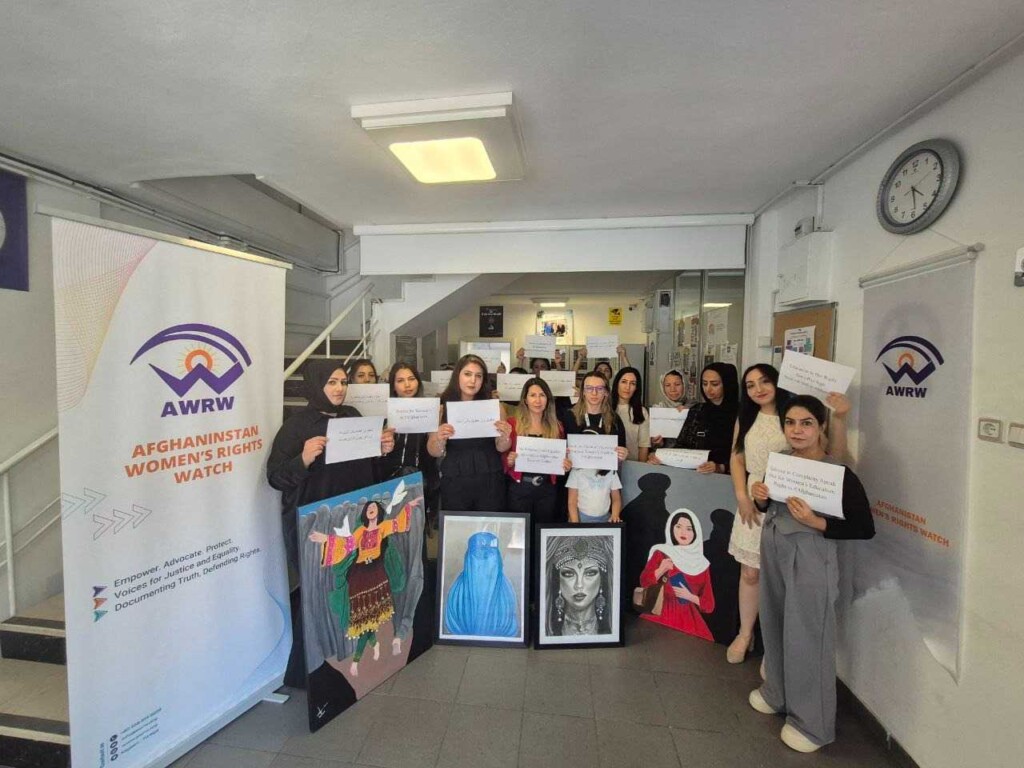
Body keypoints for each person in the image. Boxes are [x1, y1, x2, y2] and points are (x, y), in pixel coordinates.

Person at [747, 395, 874, 753]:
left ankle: (811, 723)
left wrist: (816, 522)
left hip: (811, 556)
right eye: (790, 422)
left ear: (821, 427)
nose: (797, 430)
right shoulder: (782, 460)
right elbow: (767, 504)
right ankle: (777, 692)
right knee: (773, 621)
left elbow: (864, 526)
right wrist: (759, 496)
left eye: (806, 423)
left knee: (807, 634)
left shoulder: (836, 472)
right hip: (774, 547)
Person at [266, 361, 395, 685]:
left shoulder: (353, 416)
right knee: (318, 592)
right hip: (316, 523)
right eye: (332, 382)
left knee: (348, 590)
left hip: (353, 520)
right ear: (316, 384)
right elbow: (276, 477)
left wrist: (382, 450)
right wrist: (303, 458)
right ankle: (307, 674)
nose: (339, 389)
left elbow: (369, 470)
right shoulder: (295, 427)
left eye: (343, 382)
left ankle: (348, 657)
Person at [726, 365, 849, 665]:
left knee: (782, 578)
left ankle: (774, 650)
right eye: (750, 385)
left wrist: (840, 417)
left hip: (790, 500)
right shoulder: (746, 416)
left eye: (764, 381)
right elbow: (737, 457)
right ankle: (745, 633)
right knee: (750, 572)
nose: (758, 389)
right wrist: (742, 496)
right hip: (754, 496)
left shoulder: (794, 414)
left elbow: (833, 455)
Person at [308, 497, 416, 677]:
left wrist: (408, 506)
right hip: (359, 576)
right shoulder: (360, 531)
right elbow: (346, 544)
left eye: (374, 507)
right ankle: (374, 645)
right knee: (363, 620)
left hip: (376, 574)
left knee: (368, 620)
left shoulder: (383, 527)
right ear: (366, 513)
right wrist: (326, 538)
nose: (371, 509)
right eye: (368, 507)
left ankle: (357, 661)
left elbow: (398, 524)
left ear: (378, 511)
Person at [427, 354, 511, 511]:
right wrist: (439, 438)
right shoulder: (441, 408)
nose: (473, 380)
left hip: (490, 475)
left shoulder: (495, 407)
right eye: (467, 374)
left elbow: (501, 447)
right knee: (457, 523)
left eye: (478, 376)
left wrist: (505, 436)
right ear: (457, 376)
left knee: (489, 523)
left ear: (483, 380)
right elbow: (433, 451)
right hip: (455, 477)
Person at [502, 377, 571, 525]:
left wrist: (565, 464)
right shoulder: (513, 424)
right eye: (533, 395)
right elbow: (502, 455)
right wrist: (509, 460)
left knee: (543, 530)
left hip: (547, 489)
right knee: (520, 532)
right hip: (519, 488)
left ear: (548, 399)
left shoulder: (557, 427)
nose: (538, 400)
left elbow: (561, 460)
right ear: (525, 400)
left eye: (542, 395)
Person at [648, 362, 739, 474]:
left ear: (727, 384)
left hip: (728, 478)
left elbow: (744, 453)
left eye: (714, 384)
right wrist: (660, 456)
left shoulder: (740, 413)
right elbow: (681, 446)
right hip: (694, 475)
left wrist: (721, 467)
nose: (708, 389)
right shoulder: (697, 410)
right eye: (704, 384)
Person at [638, 509, 715, 641]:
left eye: (689, 529)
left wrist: (690, 597)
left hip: (688, 619)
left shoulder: (702, 564)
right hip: (660, 611)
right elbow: (644, 582)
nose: (683, 532)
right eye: (678, 526)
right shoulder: (662, 552)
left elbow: (709, 605)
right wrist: (661, 569)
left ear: (696, 532)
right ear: (671, 528)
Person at [564, 371, 628, 523]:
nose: (594, 393)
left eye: (599, 389)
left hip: (602, 489)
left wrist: (622, 455)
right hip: (573, 486)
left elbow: (619, 456)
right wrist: (563, 457)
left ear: (606, 392)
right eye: (589, 388)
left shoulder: (614, 420)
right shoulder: (568, 416)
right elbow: (559, 448)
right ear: (582, 391)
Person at [378, 362, 439, 522]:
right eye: (400, 380)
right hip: (389, 480)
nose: (407, 385)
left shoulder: (429, 410)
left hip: (421, 479)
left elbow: (435, 451)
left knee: (416, 524)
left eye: (411, 379)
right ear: (393, 385)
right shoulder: (383, 412)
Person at [445, 531, 519, 637]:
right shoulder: (456, 597)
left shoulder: (507, 597)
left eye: (490, 554)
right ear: (467, 559)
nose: (484, 558)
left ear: (498, 560)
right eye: (478, 554)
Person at [544, 535, 615, 636]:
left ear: (601, 580)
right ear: (558, 579)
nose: (579, 585)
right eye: (569, 574)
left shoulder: (611, 629)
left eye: (590, 573)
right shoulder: (547, 631)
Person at [610, 366, 650, 462]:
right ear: (617, 384)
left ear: (636, 388)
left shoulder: (641, 411)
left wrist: (640, 468)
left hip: (632, 464)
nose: (627, 387)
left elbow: (643, 446)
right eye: (624, 382)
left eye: (632, 383)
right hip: (608, 464)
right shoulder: (606, 408)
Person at [649, 369, 690, 449]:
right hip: (665, 455)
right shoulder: (658, 409)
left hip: (691, 454)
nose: (672, 389)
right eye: (668, 385)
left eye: (677, 384)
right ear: (663, 387)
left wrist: (690, 413)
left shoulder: (696, 407)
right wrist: (656, 443)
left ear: (685, 385)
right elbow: (653, 445)